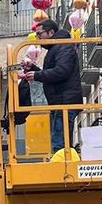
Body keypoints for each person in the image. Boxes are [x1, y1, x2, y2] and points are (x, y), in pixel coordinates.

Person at [22, 19, 82, 155]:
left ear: (51, 32)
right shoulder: (58, 47)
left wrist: (37, 74)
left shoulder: (63, 46)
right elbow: (55, 74)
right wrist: (34, 69)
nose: (37, 38)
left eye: (39, 34)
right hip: (61, 101)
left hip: (65, 102)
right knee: (59, 137)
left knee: (60, 140)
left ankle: (61, 163)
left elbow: (62, 71)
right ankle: (61, 159)